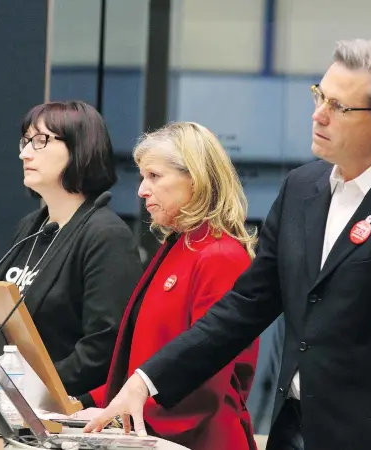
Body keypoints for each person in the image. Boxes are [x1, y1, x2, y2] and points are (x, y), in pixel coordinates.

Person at [85, 38, 371, 450]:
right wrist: (146, 380)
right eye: (320, 96)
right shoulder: (302, 189)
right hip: (291, 429)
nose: (318, 115)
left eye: (339, 107)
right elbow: (244, 307)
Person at [80, 122, 259, 450]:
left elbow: (205, 377)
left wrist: (125, 417)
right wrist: (81, 403)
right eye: (142, 177)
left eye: (154, 176)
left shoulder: (219, 254)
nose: (141, 190)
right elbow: (144, 363)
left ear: (195, 178)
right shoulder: (180, 245)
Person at [0, 100, 143, 396]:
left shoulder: (106, 235)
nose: (24, 153)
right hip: (10, 403)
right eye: (25, 141)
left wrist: (24, 389)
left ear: (80, 148)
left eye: (40, 141)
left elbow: (102, 350)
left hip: (66, 412)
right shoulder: (31, 227)